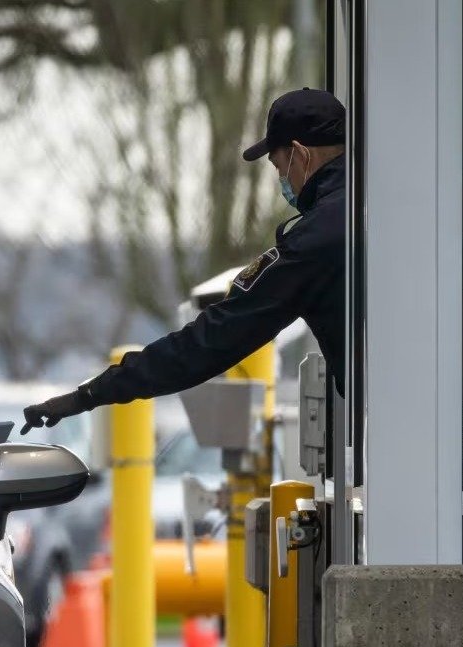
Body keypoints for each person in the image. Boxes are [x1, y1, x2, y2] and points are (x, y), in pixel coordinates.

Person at [23, 88, 347, 433]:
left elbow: (210, 341)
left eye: (279, 165)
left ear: (300, 155)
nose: (282, 179)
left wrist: (89, 395)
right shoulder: (370, 209)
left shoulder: (315, 240)